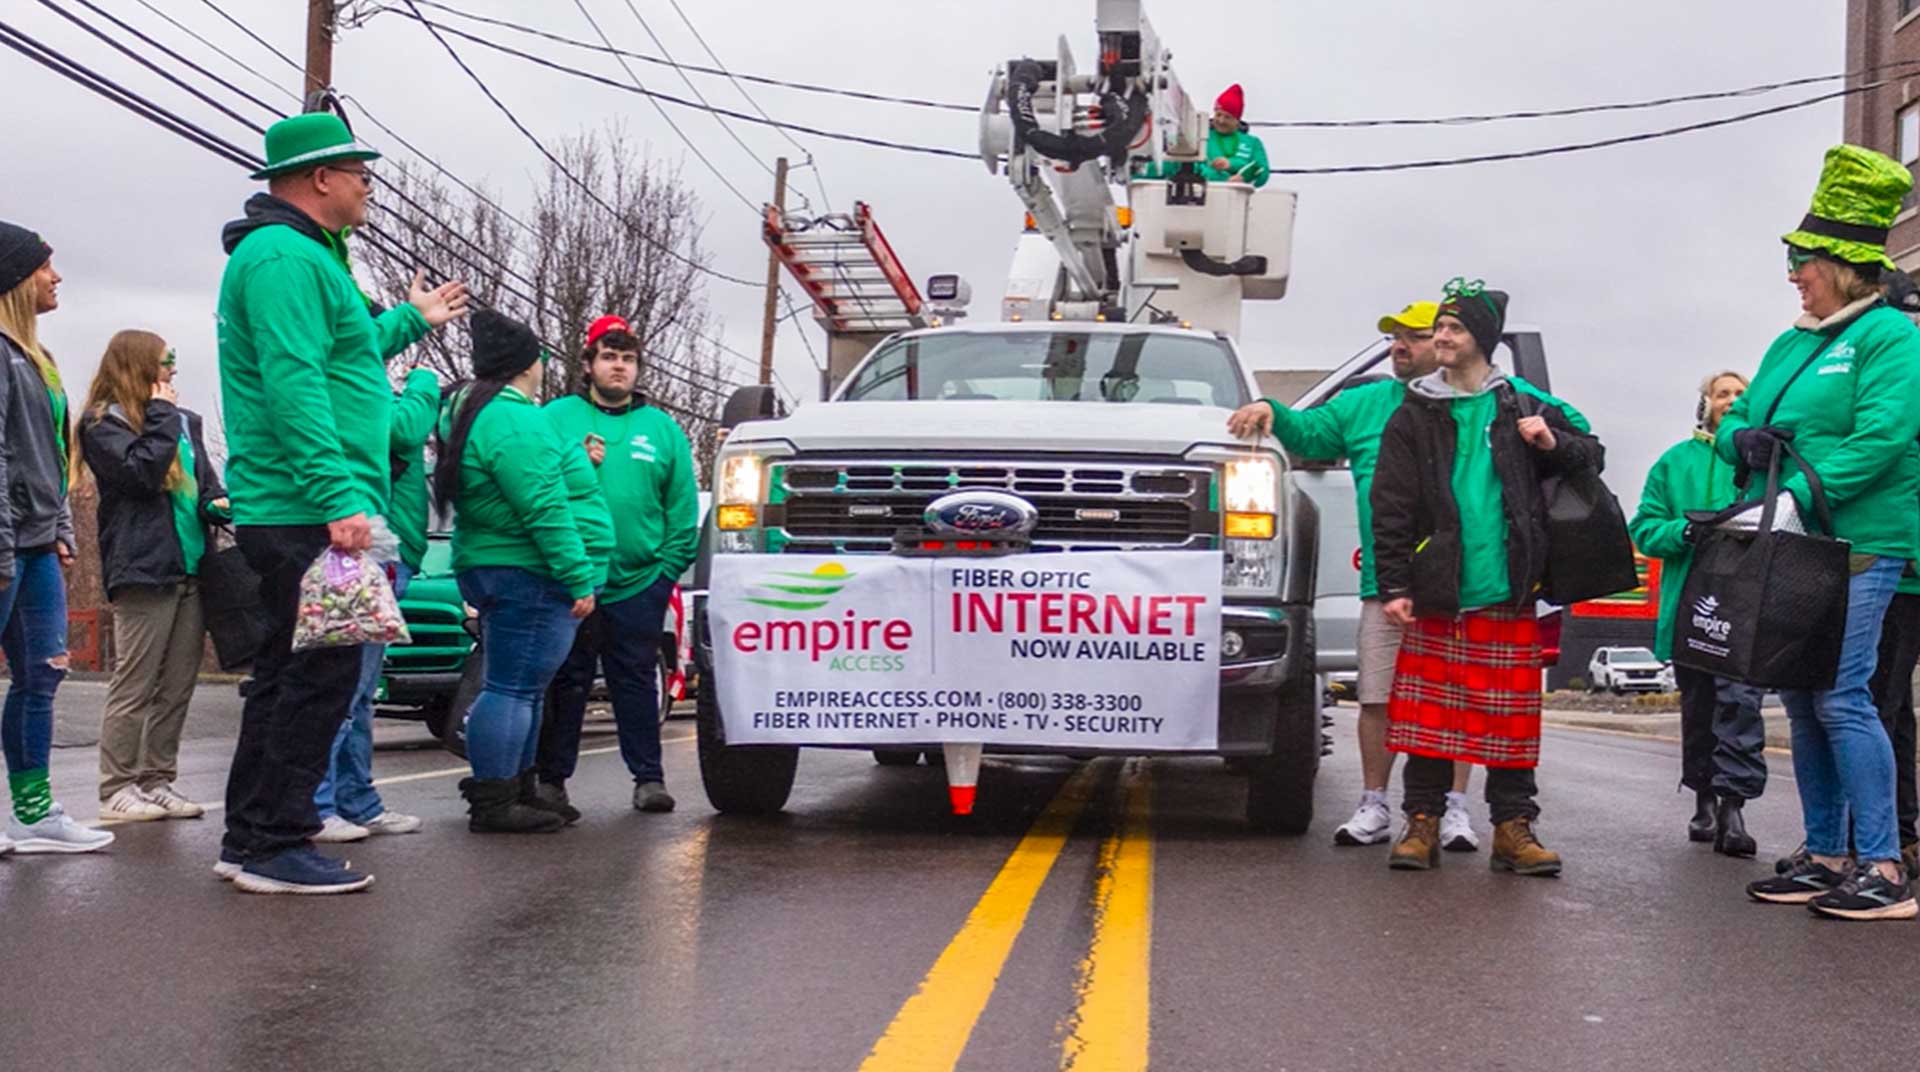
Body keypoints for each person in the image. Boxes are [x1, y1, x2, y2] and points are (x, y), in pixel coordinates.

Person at [216, 113, 468, 894]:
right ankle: (276, 844)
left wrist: (409, 321)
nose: (368, 184)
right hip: (303, 506)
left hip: (304, 502)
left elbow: (341, 353)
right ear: (319, 178)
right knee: (318, 679)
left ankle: (250, 838)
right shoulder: (284, 258)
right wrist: (338, 498)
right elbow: (294, 385)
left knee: (291, 676)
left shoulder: (305, 256)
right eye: (359, 171)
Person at [1228, 301, 1493, 851]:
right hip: (1388, 579)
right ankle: (1374, 803)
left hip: (1463, 582)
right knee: (1378, 697)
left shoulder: (1480, 404)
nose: (1400, 346)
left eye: (1414, 337)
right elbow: (1311, 432)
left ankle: (1454, 810)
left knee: (1455, 699)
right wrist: (1269, 408)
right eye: (1395, 337)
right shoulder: (1365, 404)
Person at [1736, 145, 1920, 922]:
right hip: (1796, 545)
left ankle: (1884, 866)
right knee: (1804, 700)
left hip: (1864, 543)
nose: (1793, 274)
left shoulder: (1892, 338)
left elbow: (1882, 438)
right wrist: (1738, 443)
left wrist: (1802, 492)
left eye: (1803, 260)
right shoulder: (1793, 341)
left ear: (1844, 266)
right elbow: (1744, 418)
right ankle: (1826, 852)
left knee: (1845, 699)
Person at [1369, 278, 1603, 876]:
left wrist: (1550, 441)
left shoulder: (1520, 402)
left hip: (1508, 587)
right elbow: (1390, 506)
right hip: (1440, 590)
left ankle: (1513, 828)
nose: (1441, 337)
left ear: (1482, 340)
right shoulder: (1412, 412)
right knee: (1428, 722)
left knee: (1511, 722)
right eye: (1440, 328)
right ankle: (1419, 823)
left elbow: (1590, 454)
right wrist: (1395, 585)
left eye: (1454, 328)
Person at [434, 310, 600, 834]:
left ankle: (518, 787)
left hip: (506, 566)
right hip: (526, 571)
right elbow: (544, 509)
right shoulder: (513, 420)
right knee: (511, 688)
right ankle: (495, 799)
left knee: (524, 687)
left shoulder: (488, 414)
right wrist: (578, 576)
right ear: (530, 362)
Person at [536, 315, 699, 816]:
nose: (619, 367)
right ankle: (551, 781)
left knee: (635, 681)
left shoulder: (663, 429)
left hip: (639, 582)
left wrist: (665, 573)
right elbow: (532, 483)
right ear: (588, 364)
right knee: (567, 680)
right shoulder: (556, 418)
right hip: (573, 580)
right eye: (609, 357)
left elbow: (683, 508)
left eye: (628, 359)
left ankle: (648, 779)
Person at [79, 331, 229, 824]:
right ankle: (116, 787)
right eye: (164, 363)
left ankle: (156, 779)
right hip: (144, 568)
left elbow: (203, 485)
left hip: (191, 564)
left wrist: (216, 502)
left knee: (178, 684)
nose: (171, 373)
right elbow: (140, 475)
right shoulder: (104, 423)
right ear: (139, 365)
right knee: (136, 683)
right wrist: (162, 417)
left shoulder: (184, 423)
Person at [0, 221, 111, 855]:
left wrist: (63, 527)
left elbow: (51, 457)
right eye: (46, 266)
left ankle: (34, 815)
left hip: (38, 545)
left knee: (41, 677)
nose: (56, 275)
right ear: (16, 278)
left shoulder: (35, 357)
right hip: (6, 545)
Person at [1628, 371, 1769, 857]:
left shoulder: (1763, 464)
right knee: (1702, 709)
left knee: (1742, 705)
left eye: (1739, 395)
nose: (1731, 401)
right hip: (1691, 608)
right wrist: (1683, 534)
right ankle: (1704, 800)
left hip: (1747, 612)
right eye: (1722, 393)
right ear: (1705, 405)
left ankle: (1735, 808)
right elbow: (1644, 527)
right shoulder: (1674, 462)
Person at [311, 363, 442, 843]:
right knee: (342, 688)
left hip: (390, 554)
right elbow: (404, 428)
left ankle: (356, 801)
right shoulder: (358, 391)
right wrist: (426, 382)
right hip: (366, 553)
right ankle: (319, 806)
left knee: (361, 691)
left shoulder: (366, 387)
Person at [1139, 84, 1269, 187]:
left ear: (1237, 119)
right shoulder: (1200, 136)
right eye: (1218, 114)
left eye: (1228, 117)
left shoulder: (1252, 143)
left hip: (1236, 203)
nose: (1221, 121)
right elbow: (1182, 164)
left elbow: (1262, 170)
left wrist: (1232, 165)